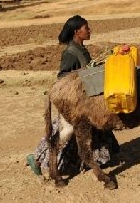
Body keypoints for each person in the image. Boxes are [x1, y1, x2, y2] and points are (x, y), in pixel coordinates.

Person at [27, 15, 120, 176]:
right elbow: (62, 76)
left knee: (88, 129)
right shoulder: (70, 52)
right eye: (86, 28)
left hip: (85, 97)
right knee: (65, 130)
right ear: (77, 32)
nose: (89, 30)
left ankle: (88, 161)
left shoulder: (81, 48)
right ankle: (36, 158)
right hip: (72, 98)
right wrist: (82, 73)